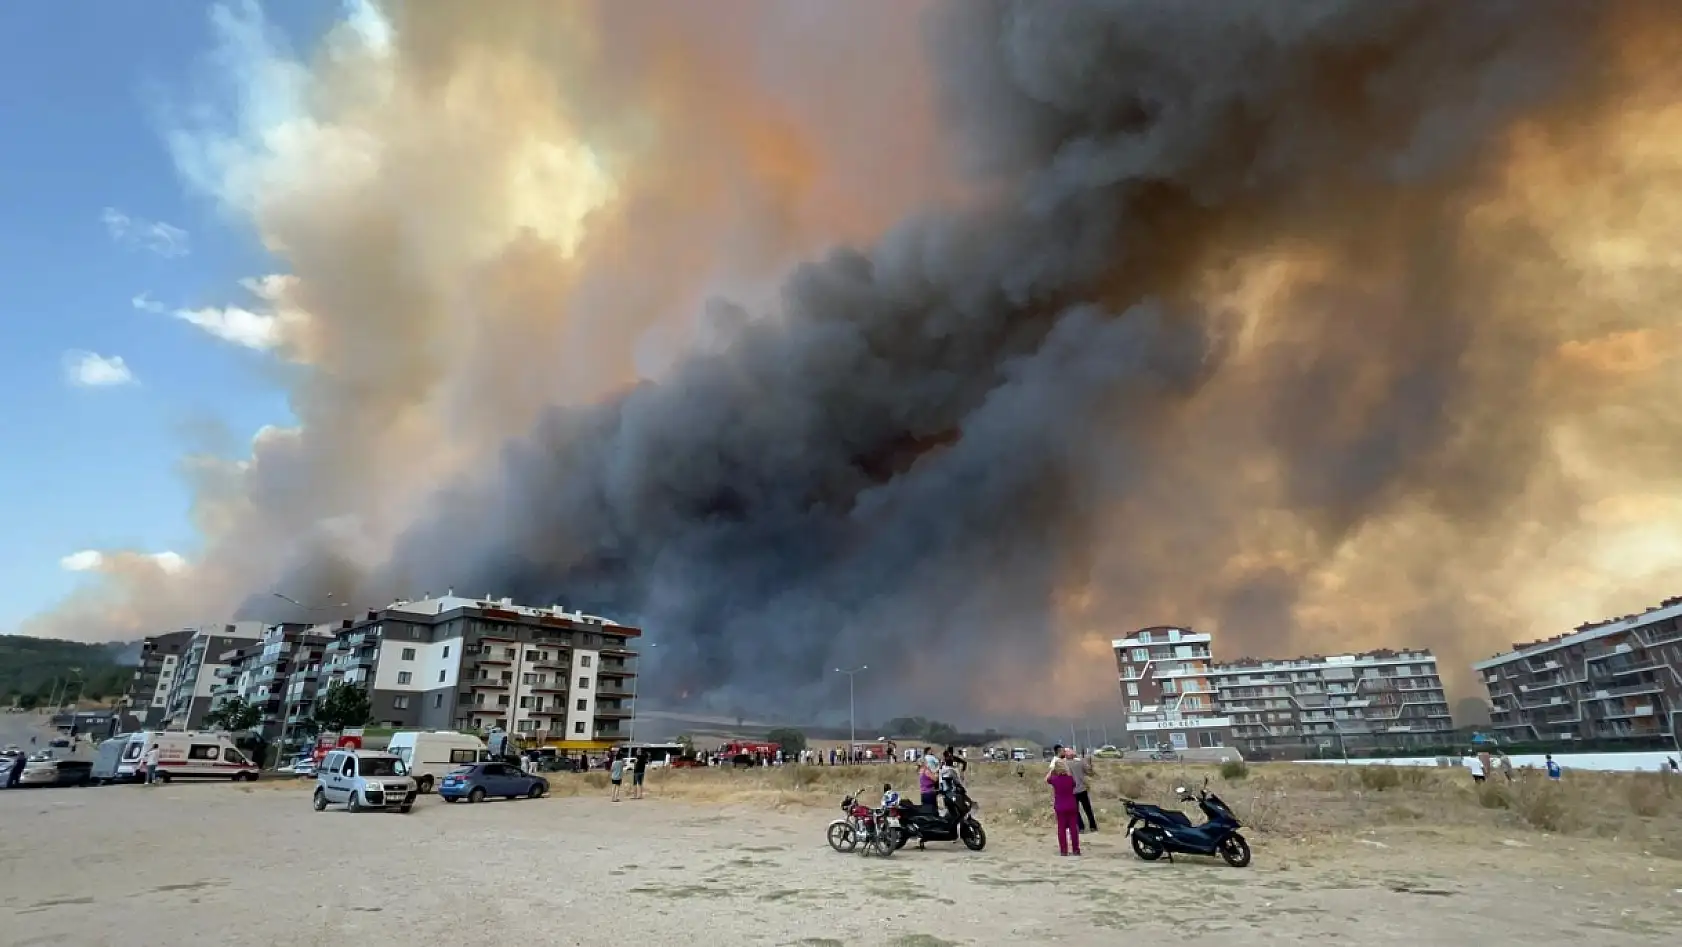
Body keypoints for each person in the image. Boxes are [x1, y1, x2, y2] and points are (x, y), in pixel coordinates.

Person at [1046, 758, 1080, 856]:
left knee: (1061, 829)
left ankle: (1064, 850)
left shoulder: (1055, 779)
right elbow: (1074, 784)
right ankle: (1076, 849)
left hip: (1060, 806)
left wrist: (1052, 770)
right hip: (1072, 805)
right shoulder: (1070, 779)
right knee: (1073, 828)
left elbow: (1047, 779)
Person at [1066, 747, 1097, 833]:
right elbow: (1089, 772)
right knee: (1088, 809)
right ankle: (1093, 826)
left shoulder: (1065, 765)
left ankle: (1081, 827)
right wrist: (1089, 764)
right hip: (1082, 789)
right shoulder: (1080, 762)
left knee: (1076, 811)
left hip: (1072, 791)